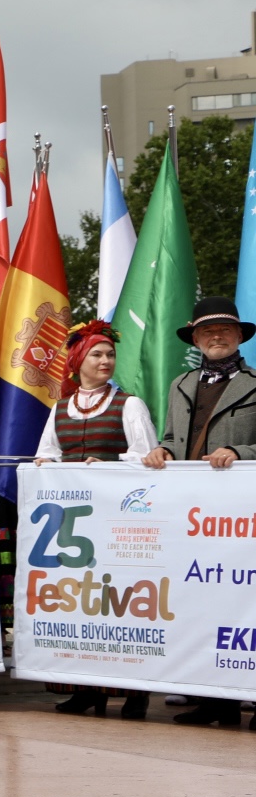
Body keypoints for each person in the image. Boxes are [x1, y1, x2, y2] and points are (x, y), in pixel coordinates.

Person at [142, 298, 256, 727]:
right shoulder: (180, 384)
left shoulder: (255, 383)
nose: (216, 336)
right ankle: (215, 700)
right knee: (205, 603)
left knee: (248, 603)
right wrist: (161, 450)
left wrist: (239, 451)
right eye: (207, 331)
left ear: (240, 335)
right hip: (193, 516)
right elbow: (172, 437)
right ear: (195, 338)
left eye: (225, 329)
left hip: (242, 516)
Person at [35, 322, 155, 722]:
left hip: (119, 522)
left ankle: (135, 693)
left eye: (109, 355)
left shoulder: (130, 405)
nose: (106, 361)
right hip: (75, 526)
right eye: (96, 355)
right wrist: (43, 465)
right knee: (83, 604)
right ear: (77, 361)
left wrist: (109, 465)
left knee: (124, 607)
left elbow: (148, 458)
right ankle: (87, 690)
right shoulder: (60, 408)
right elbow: (47, 454)